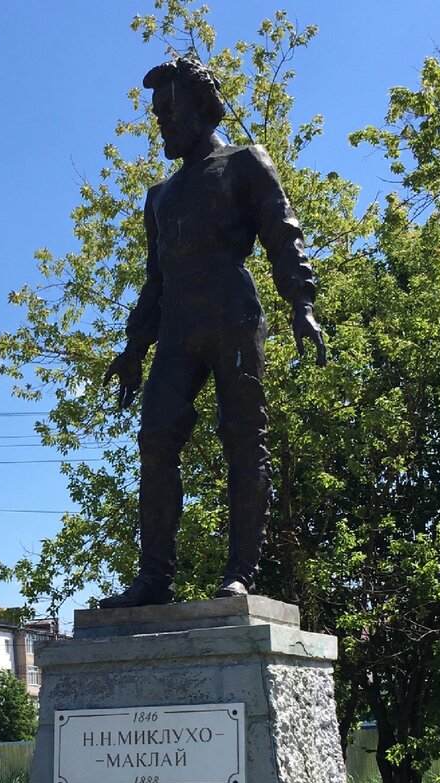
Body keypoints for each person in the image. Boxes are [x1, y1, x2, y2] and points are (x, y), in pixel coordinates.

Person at [101, 56, 326, 607]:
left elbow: (282, 230)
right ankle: (154, 577)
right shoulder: (160, 196)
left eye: (171, 112)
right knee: (155, 439)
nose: (164, 125)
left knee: (244, 438)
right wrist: (134, 347)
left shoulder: (245, 163)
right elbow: (155, 280)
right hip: (178, 325)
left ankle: (240, 573)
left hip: (234, 316)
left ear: (203, 107)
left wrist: (302, 301)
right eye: (157, 116)